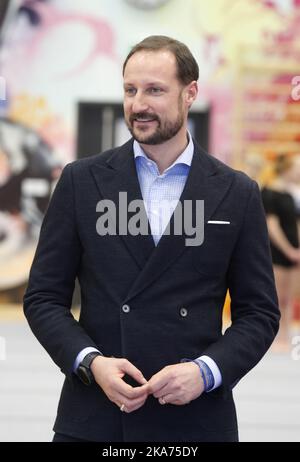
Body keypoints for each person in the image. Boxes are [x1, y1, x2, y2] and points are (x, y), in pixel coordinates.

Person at [24, 35, 280, 443]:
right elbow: (43, 298)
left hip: (195, 422)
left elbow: (260, 314)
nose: (138, 104)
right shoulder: (81, 182)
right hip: (95, 417)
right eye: (130, 90)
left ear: (189, 93)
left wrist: (205, 372)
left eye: (155, 90)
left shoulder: (236, 193)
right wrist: (91, 363)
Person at [261, 154, 300, 351]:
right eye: (297, 167)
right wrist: (288, 250)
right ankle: (275, 334)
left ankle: (286, 332)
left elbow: (295, 223)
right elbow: (272, 225)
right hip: (277, 250)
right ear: (286, 169)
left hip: (294, 250)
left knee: (289, 297)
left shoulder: (290, 194)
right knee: (277, 295)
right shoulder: (269, 192)